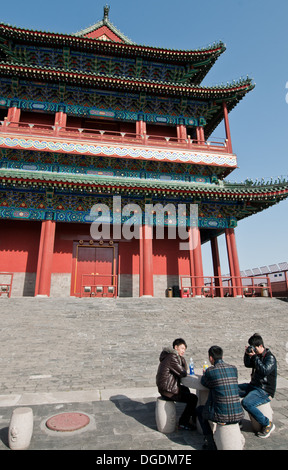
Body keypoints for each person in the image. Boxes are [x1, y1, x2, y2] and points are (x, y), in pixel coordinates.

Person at [197, 345, 244, 450]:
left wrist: (205, 374)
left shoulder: (210, 371)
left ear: (210, 358)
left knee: (200, 411)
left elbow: (204, 382)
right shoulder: (233, 368)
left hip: (222, 415)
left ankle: (210, 443)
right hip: (239, 413)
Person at [239, 333, 277, 438]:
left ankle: (267, 424)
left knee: (246, 403)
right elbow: (247, 364)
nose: (253, 350)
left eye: (254, 347)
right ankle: (237, 419)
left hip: (264, 390)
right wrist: (247, 354)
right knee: (232, 390)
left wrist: (255, 357)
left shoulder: (270, 358)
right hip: (254, 386)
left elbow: (264, 370)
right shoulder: (258, 356)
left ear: (261, 346)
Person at [156, 338, 198, 430]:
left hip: (165, 387)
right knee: (193, 399)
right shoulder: (172, 357)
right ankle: (184, 422)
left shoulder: (169, 356)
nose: (183, 351)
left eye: (184, 349)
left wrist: (181, 359)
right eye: (182, 348)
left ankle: (194, 418)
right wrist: (181, 359)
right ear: (176, 347)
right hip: (168, 390)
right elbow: (183, 372)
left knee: (186, 390)